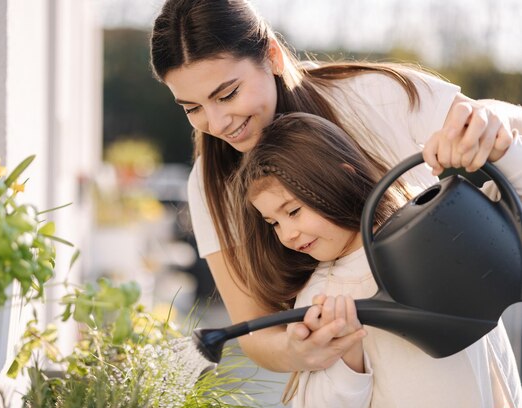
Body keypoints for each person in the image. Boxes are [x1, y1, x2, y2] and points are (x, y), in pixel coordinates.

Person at [149, 0, 522, 375]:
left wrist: (490, 116)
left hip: (462, 363)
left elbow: (507, 125)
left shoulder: (373, 94)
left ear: (273, 57)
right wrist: (294, 351)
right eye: (191, 108)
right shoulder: (209, 184)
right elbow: (256, 334)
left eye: (227, 94)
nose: (216, 123)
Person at [232, 112, 522, 408]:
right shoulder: (319, 298)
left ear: (339, 177)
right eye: (273, 223)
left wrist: (499, 150)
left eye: (292, 212)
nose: (287, 234)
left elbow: (512, 209)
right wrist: (346, 358)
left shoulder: (432, 228)